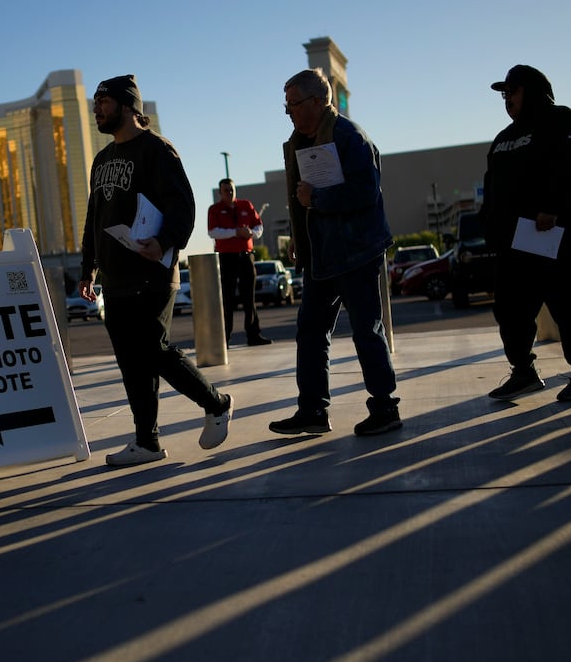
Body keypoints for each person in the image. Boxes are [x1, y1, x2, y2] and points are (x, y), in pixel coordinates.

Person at [77, 74, 231, 465]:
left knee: (153, 349)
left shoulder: (157, 150)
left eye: (103, 102)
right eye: (95, 103)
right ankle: (146, 442)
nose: (97, 109)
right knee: (132, 361)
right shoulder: (102, 160)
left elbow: (183, 206)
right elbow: (94, 220)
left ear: (128, 106)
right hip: (115, 278)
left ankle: (216, 404)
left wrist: (163, 242)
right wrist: (87, 269)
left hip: (152, 270)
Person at [268, 68, 402, 436]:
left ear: (315, 102)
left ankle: (385, 408)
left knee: (366, 330)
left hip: (357, 252)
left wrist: (319, 199)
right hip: (321, 255)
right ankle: (312, 411)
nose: (288, 111)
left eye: (292, 104)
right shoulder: (300, 140)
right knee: (310, 332)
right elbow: (300, 200)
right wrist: (299, 236)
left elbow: (365, 193)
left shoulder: (348, 136)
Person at [479, 65, 571, 401]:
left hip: (554, 235)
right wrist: (488, 220)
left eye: (511, 92)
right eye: (504, 94)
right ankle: (524, 372)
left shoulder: (562, 120)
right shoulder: (503, 138)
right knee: (509, 309)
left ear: (530, 90)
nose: (506, 100)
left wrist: (552, 206)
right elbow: (491, 185)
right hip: (514, 242)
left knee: (567, 305)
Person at [206, 178, 270, 346]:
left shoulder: (246, 205)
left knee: (249, 297)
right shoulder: (215, 209)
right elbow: (213, 232)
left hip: (245, 255)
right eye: (226, 190)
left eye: (232, 189)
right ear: (220, 192)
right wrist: (236, 232)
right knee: (227, 299)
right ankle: (224, 338)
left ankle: (253, 335)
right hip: (227, 258)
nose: (230, 192)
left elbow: (259, 226)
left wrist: (251, 233)